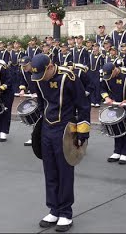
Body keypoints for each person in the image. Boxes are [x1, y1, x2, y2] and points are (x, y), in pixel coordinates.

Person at [27, 53, 89, 232]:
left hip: (65, 128)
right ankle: (53, 209)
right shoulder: (39, 78)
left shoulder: (69, 77)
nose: (41, 79)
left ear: (50, 66)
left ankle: (66, 213)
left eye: (43, 74)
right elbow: (41, 103)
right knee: (50, 170)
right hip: (47, 128)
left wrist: (82, 134)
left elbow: (83, 106)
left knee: (65, 171)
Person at [100, 59, 126, 164]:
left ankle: (125, 153)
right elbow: (102, 89)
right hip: (115, 105)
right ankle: (117, 151)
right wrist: (107, 98)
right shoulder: (106, 77)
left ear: (115, 70)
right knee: (117, 128)